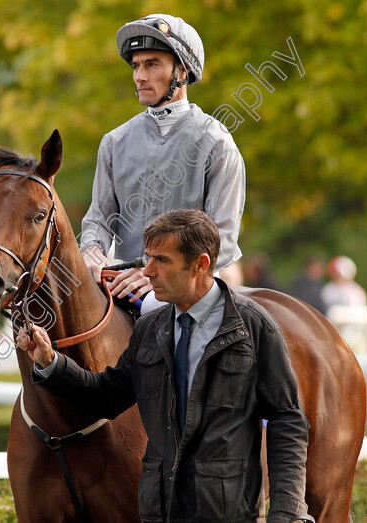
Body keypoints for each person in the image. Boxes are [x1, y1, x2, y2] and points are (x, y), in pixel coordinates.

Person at [19, 210, 309, 522]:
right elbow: (106, 396)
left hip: (227, 514)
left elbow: (286, 420)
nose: (148, 271)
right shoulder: (150, 328)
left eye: (162, 260)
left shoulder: (254, 327)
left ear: (201, 264)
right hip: (160, 513)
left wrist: (288, 511)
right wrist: (51, 363)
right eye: (148, 258)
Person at [79, 14, 245, 314]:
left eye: (151, 64)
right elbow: (99, 219)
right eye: (136, 66)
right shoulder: (114, 142)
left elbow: (223, 238)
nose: (139, 76)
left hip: (191, 290)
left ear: (182, 70)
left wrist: (155, 274)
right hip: (125, 283)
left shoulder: (218, 144)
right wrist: (92, 250)